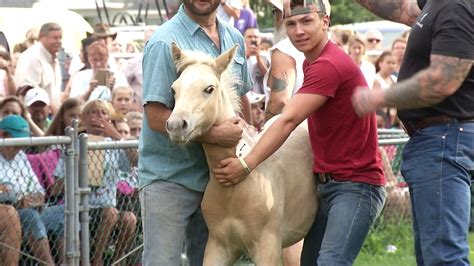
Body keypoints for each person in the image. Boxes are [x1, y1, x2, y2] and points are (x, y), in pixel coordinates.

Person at [213, 1, 386, 265]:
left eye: (307, 21)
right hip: (329, 185)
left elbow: (288, 119)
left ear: (325, 21)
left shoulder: (328, 65)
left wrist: (246, 164)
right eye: (291, 24)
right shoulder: (312, 62)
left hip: (355, 186)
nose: (298, 31)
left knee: (330, 262)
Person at [351, 0, 473, 265]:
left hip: (443, 140)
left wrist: (380, 97)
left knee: (443, 258)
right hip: (435, 141)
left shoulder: (456, 6)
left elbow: (444, 79)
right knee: (433, 256)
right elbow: (401, 9)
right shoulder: (436, 4)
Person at [139, 0, 252, 264]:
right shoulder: (163, 42)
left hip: (219, 178)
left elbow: (240, 97)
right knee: (162, 261)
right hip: (170, 179)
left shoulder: (233, 37)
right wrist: (215, 135)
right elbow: (156, 117)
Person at [0, 115, 65, 265]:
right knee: (30, 216)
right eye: (16, 143)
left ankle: (68, 262)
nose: (20, 147)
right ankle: (49, 264)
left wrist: (36, 199)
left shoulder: (21, 157)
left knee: (65, 212)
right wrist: (16, 201)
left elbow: (39, 191)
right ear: (3, 135)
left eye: (22, 143)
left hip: (32, 208)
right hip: (14, 212)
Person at [263, 0, 306, 122]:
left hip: (291, 134)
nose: (276, 17)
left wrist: (264, 133)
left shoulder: (284, 49)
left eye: (275, 11)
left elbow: (279, 102)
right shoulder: (329, 46)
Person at [15, 23, 63, 114]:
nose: (59, 41)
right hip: (36, 115)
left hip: (52, 116)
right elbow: (27, 91)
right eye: (55, 38)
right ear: (42, 37)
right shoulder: (32, 57)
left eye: (60, 38)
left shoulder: (55, 58)